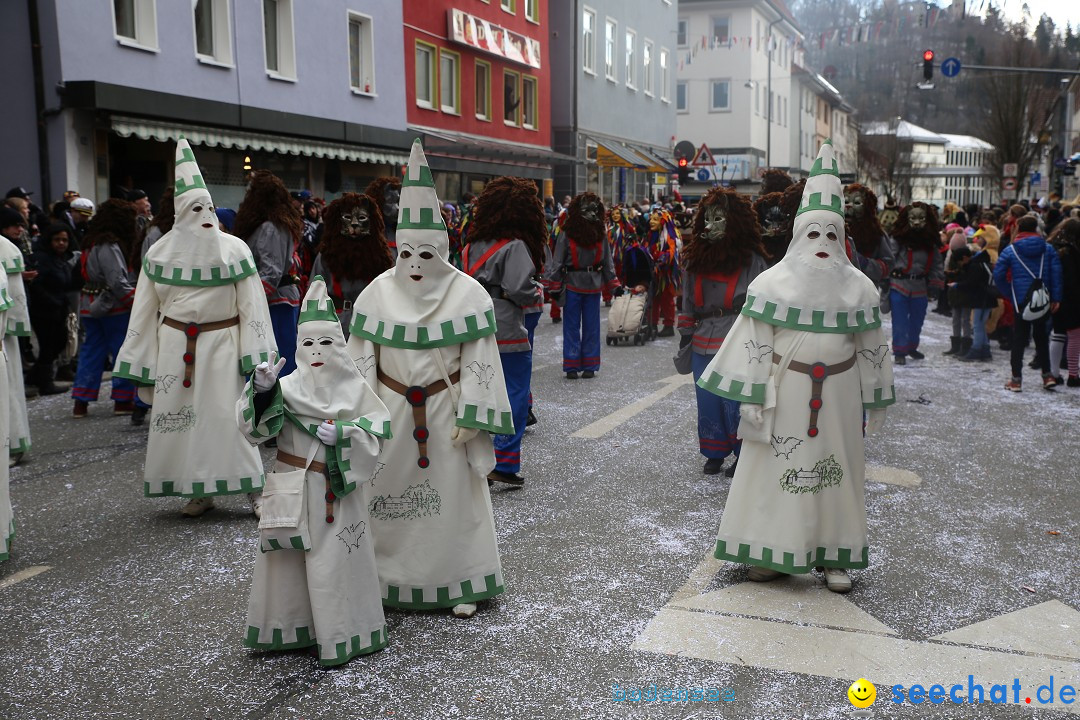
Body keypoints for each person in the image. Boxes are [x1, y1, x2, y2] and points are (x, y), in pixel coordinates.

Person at [696, 140, 894, 594]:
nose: (822, 244)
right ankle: (771, 552)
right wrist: (751, 396)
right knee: (774, 473)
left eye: (831, 234)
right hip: (784, 393)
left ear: (842, 238)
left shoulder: (860, 290)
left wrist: (877, 394)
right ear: (797, 235)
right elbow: (754, 342)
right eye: (813, 233)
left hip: (840, 398)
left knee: (837, 473)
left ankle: (833, 556)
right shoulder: (770, 284)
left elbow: (871, 347)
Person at [345, 140, 512, 619]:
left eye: (425, 254)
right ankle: (385, 578)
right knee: (388, 497)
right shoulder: (375, 295)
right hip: (393, 415)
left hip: (446, 412)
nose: (414, 265)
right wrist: (362, 416)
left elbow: (482, 360)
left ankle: (459, 580)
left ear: (441, 249)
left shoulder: (469, 295)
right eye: (406, 254)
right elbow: (362, 360)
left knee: (455, 502)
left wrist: (475, 416)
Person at [114, 138, 277, 517]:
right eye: (194, 208)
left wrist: (255, 353)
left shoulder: (234, 250)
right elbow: (144, 309)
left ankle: (253, 487)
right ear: (180, 212)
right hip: (175, 347)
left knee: (228, 418)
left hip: (222, 342)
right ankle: (200, 490)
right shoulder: (159, 253)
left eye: (208, 207)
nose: (204, 215)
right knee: (184, 424)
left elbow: (251, 305)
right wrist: (141, 358)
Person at [237, 277, 391, 666]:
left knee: (335, 566)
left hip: (336, 496)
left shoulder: (356, 389)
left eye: (325, 343)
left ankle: (341, 634)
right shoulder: (284, 388)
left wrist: (344, 433)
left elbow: (377, 434)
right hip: (292, 490)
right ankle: (292, 629)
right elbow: (255, 432)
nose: (317, 352)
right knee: (288, 565)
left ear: (339, 346)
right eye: (308, 343)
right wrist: (262, 391)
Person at [461, 176, 547, 486]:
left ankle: (477, 459)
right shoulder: (516, 246)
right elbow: (521, 289)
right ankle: (505, 462)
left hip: (475, 325)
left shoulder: (470, 245)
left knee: (479, 390)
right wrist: (538, 294)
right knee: (514, 394)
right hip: (508, 326)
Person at [678, 187, 767, 477]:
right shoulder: (694, 257)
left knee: (735, 400)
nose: (710, 224)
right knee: (707, 398)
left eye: (719, 218)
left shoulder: (752, 259)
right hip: (703, 336)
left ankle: (743, 453)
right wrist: (685, 332)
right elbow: (687, 298)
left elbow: (760, 299)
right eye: (707, 217)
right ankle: (714, 452)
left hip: (736, 336)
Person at [71, 199, 139, 418]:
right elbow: (117, 280)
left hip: (89, 304)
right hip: (113, 306)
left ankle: (81, 401)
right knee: (122, 351)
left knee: (91, 351)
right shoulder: (109, 244)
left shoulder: (90, 241)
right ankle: (122, 400)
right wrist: (135, 302)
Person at [544, 192, 622, 378]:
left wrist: (614, 285)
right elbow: (558, 261)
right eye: (586, 209)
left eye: (594, 209)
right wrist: (554, 286)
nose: (591, 213)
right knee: (571, 326)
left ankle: (590, 364)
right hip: (572, 284)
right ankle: (571, 365)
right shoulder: (566, 233)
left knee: (591, 326)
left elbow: (607, 261)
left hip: (593, 285)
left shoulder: (600, 234)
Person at [234, 171, 303, 377]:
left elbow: (271, 273)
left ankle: (279, 402)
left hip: (275, 302)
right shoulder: (273, 225)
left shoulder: (270, 227)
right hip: (278, 299)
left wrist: (248, 299)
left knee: (277, 357)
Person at [994, 215, 1063, 391]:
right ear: (1036, 229)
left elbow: (999, 275)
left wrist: (1010, 293)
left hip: (1021, 301)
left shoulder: (1011, 250)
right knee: (1041, 337)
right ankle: (1047, 376)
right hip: (1042, 299)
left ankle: (1016, 379)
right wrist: (1056, 298)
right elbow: (1056, 274)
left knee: (1019, 339)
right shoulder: (1048, 249)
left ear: (1018, 227)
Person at [311, 192, 393, 338]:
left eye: (361, 218)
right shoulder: (326, 256)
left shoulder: (381, 257)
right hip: (335, 326)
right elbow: (314, 295)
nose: (354, 223)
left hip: (370, 326)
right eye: (348, 217)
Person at [886, 202, 944, 365]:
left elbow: (937, 264)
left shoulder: (931, 243)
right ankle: (900, 350)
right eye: (913, 218)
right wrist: (885, 279)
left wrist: (936, 283)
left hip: (920, 286)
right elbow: (890, 259)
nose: (917, 222)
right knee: (900, 321)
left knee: (917, 320)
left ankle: (911, 346)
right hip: (899, 284)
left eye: (921, 218)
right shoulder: (898, 240)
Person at [28, 225, 81, 395]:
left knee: (58, 342)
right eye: (57, 240)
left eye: (64, 240)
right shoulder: (43, 259)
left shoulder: (62, 259)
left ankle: (36, 376)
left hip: (58, 309)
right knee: (48, 345)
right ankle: (45, 382)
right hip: (44, 310)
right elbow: (36, 284)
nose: (61, 243)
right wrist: (52, 301)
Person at [0, 209, 34, 464]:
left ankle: (11, 444)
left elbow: (13, 298)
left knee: (7, 389)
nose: (19, 230)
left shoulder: (6, 250)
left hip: (2, 334)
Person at [957, 227, 999, 363]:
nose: (977, 240)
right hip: (988, 295)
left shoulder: (985, 256)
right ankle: (984, 349)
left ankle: (976, 349)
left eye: (980, 238)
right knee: (980, 323)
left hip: (983, 296)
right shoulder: (987, 255)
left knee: (978, 324)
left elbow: (977, 278)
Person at [1048, 218, 1080, 386]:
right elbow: (1073, 279)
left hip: (1055, 298)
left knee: (1058, 334)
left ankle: (1054, 373)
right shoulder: (1072, 251)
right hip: (1072, 299)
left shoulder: (1053, 247)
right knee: (1075, 335)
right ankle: (1073, 375)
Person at [645, 207, 681, 337]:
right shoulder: (651, 235)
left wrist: (661, 258)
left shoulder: (671, 235)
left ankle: (668, 326)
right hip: (654, 272)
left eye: (655, 219)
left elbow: (672, 252)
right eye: (651, 219)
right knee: (652, 298)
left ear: (663, 221)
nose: (651, 222)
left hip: (667, 273)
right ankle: (652, 324)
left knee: (666, 298)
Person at [365, 176, 401, 258]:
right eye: (390, 201)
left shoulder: (400, 231)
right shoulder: (369, 233)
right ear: (378, 202)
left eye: (396, 201)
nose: (397, 207)